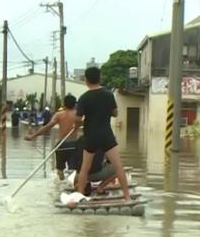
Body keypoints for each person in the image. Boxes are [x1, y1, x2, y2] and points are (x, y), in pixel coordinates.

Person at [74, 66, 130, 202]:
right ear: (100, 78)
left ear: (86, 80)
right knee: (118, 166)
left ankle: (80, 196)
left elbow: (77, 120)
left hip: (91, 136)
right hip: (106, 135)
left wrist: (80, 123)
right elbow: (115, 113)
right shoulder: (108, 94)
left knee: (84, 169)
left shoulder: (83, 98)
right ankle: (127, 197)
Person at [25, 95, 79, 180]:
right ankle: (71, 183)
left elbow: (47, 127)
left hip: (61, 145)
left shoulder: (59, 115)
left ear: (64, 104)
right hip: (74, 145)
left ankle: (61, 183)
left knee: (60, 170)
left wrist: (33, 136)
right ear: (75, 104)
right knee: (73, 169)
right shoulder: (78, 115)